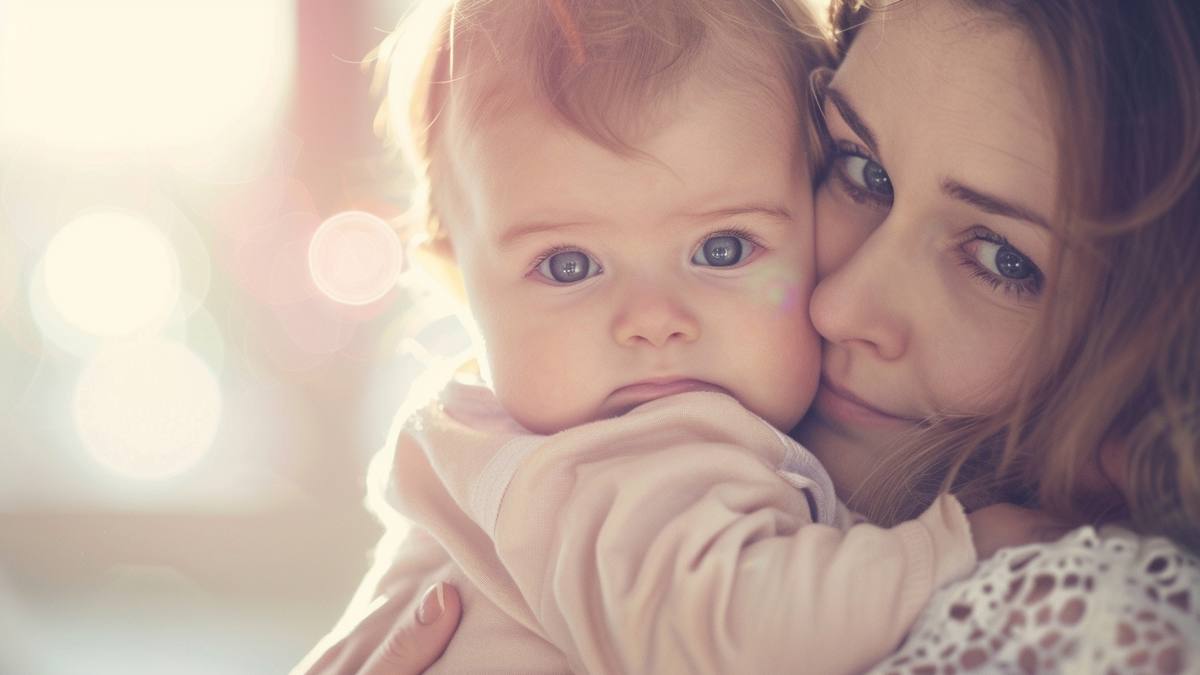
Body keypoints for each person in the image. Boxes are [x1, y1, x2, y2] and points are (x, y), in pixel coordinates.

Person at [300, 0, 1200, 672]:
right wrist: (958, 544)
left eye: (1004, 258)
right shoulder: (615, 452)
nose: (835, 307)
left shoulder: (1092, 627)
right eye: (860, 170)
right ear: (456, 278)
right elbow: (722, 624)